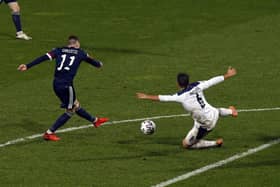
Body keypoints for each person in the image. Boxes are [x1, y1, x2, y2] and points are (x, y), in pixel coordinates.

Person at [17, 35, 108, 141]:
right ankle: (49, 133)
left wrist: (28, 66)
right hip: (66, 85)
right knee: (71, 110)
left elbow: (43, 58)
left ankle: (95, 121)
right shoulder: (81, 53)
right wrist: (100, 63)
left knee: (75, 104)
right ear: (77, 43)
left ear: (69, 43)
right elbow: (97, 64)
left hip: (56, 83)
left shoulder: (58, 50)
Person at [137, 67, 238, 149]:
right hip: (212, 112)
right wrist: (228, 74)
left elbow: (162, 98)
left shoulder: (180, 96)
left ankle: (215, 143)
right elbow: (211, 81)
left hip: (205, 124)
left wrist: (146, 96)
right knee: (215, 111)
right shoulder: (197, 84)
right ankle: (230, 111)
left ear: (178, 83)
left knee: (186, 144)